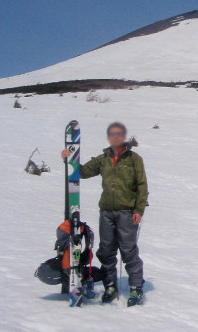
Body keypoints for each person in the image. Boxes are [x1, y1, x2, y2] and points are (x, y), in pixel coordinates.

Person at [61, 121, 148, 307]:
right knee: (106, 251)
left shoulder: (134, 159)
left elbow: (142, 186)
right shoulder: (103, 159)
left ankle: (135, 288)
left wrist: (138, 210)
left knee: (128, 251)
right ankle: (110, 287)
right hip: (106, 212)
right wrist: (69, 159)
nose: (115, 137)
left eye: (119, 134)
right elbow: (83, 172)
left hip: (127, 212)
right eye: (112, 134)